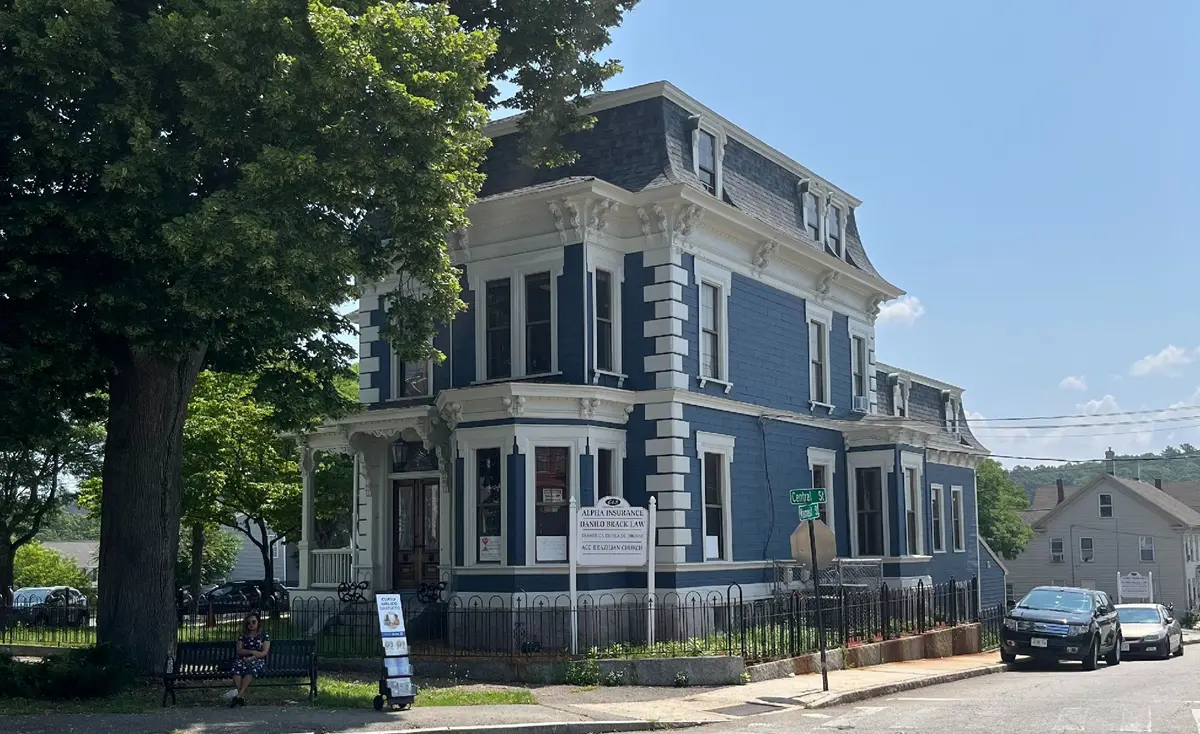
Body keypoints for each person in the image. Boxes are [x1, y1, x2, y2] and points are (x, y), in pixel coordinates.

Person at [230, 611, 270, 707]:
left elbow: (264, 652)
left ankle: (239, 696)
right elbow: (239, 650)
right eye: (248, 623)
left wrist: (254, 656)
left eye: (253, 622)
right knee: (236, 668)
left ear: (258, 623)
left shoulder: (264, 636)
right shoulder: (242, 636)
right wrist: (251, 652)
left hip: (258, 659)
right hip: (243, 659)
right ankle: (241, 697)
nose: (251, 625)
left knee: (251, 668)